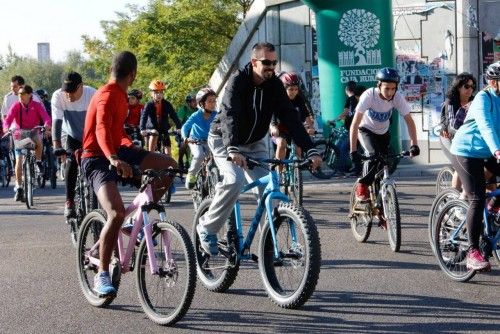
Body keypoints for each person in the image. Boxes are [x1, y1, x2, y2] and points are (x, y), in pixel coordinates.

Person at [196, 42, 322, 255]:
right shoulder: (238, 81)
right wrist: (233, 148)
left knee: (269, 193)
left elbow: (290, 117)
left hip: (255, 143)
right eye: (266, 62)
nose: (271, 67)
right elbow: (229, 114)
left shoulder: (274, 85)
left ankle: (267, 246)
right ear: (254, 62)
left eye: (274, 62)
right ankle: (207, 227)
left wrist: (310, 149)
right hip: (224, 140)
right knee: (234, 180)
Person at [81, 51, 177, 297]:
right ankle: (102, 274)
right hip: (96, 158)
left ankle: (135, 220)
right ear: (132, 74)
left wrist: (130, 148)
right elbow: (101, 128)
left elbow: (116, 130)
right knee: (115, 213)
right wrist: (113, 158)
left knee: (168, 165)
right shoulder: (105, 95)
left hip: (120, 151)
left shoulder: (122, 96)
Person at [449, 61, 500, 272]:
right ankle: (472, 251)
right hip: (466, 151)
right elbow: (486, 126)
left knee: (489, 196)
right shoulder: (482, 98)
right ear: (494, 82)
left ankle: (491, 210)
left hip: (488, 152)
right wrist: (498, 150)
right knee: (477, 196)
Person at [349, 67, 420, 204]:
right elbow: (355, 123)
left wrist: (414, 144)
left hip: (383, 133)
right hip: (365, 130)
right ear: (379, 85)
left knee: (384, 165)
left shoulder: (397, 98)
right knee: (373, 154)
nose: (390, 92)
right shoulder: (369, 95)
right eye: (387, 88)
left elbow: (409, 121)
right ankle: (362, 185)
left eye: (393, 89)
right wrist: (353, 150)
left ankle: (381, 208)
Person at [51, 71, 97, 219]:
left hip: (90, 135)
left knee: (97, 163)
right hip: (71, 134)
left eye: (72, 92)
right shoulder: (58, 96)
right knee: (71, 162)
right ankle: (69, 201)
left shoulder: (92, 95)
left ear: (81, 86)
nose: (68, 96)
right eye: (66, 92)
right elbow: (56, 122)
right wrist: (57, 146)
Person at [2, 85, 52, 201]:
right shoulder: (16, 106)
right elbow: (7, 120)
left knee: (39, 141)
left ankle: (38, 162)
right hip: (19, 133)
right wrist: (6, 129)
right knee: (19, 160)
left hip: (34, 131)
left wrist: (47, 126)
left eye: (22, 94)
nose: (20, 96)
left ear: (30, 95)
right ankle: (19, 187)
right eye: (19, 94)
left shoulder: (37, 105)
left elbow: (46, 118)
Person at [269, 72, 315, 171]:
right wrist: (273, 126)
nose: (293, 92)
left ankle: (296, 173)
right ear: (284, 89)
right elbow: (272, 114)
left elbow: (306, 115)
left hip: (293, 129)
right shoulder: (278, 99)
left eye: (296, 89)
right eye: (290, 89)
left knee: (299, 146)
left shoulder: (299, 99)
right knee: (282, 143)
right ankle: (279, 174)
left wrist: (311, 127)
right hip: (279, 130)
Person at [439, 73, 477, 191]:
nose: (470, 89)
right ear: (458, 87)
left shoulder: (475, 101)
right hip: (449, 138)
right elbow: (452, 125)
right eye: (466, 86)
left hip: (468, 139)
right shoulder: (451, 101)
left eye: (472, 87)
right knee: (460, 165)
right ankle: (454, 198)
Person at [181, 88, 217, 189]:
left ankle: (215, 177)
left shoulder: (216, 115)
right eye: (210, 101)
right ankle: (191, 174)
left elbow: (224, 127)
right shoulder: (196, 115)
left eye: (214, 101)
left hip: (210, 141)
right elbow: (185, 127)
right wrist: (185, 138)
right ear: (201, 104)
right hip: (195, 140)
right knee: (199, 155)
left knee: (218, 156)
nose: (213, 103)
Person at [139, 80, 182, 155]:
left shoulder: (167, 104)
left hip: (163, 128)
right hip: (152, 128)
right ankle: (151, 156)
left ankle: (168, 164)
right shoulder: (149, 104)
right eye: (156, 92)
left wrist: (179, 127)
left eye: (161, 92)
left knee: (168, 152)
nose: (159, 95)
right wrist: (142, 129)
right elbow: (144, 116)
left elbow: (173, 115)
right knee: (154, 133)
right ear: (151, 94)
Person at [176, 94, 198, 169]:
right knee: (184, 144)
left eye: (196, 101)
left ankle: (189, 162)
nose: (195, 103)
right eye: (193, 101)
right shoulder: (184, 109)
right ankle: (180, 160)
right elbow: (179, 122)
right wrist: (179, 129)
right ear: (188, 103)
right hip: (184, 133)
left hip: (195, 134)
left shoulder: (198, 111)